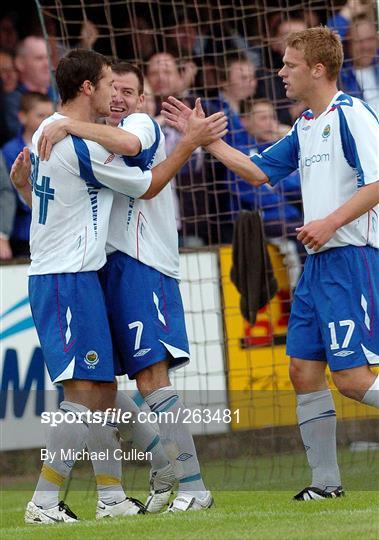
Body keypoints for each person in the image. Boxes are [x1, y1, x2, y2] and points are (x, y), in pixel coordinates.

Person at [162, 26, 379, 500]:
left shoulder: (352, 115)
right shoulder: (305, 123)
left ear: (318, 69)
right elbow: (260, 171)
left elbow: (377, 183)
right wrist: (202, 140)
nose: (279, 72)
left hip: (350, 258)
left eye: (289, 64)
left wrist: (328, 223)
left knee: (353, 380)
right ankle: (326, 485)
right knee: (302, 370)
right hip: (319, 263)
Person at [10, 49, 226, 524]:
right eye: (111, 84)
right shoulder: (73, 143)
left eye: (126, 89)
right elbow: (144, 181)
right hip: (70, 277)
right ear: (89, 87)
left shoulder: (57, 130)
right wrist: (187, 143)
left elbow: (58, 199)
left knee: (102, 389)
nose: (117, 94)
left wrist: (27, 186)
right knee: (87, 393)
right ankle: (45, 502)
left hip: (95, 272)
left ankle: (114, 495)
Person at [2, 92, 54, 258]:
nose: (46, 121)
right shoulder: (10, 150)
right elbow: (14, 190)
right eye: (40, 115)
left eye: (50, 116)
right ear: (22, 117)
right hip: (24, 231)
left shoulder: (58, 146)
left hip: (54, 228)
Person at [3, 36, 58, 138]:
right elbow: (21, 138)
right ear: (20, 63)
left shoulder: (59, 92)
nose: (47, 64)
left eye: (48, 57)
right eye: (39, 58)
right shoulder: (13, 100)